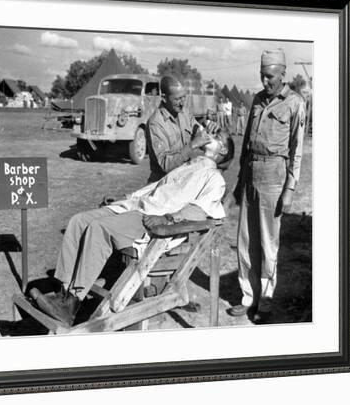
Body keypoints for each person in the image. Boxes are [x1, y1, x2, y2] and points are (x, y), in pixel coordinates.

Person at [34, 129, 235, 325]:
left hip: (152, 219)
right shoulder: (191, 164)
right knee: (78, 221)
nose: (210, 134)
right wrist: (126, 199)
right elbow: (156, 188)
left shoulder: (215, 178)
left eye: (217, 136)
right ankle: (63, 293)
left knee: (98, 229)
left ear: (222, 151)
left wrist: (168, 218)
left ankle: (71, 303)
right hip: (138, 205)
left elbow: (199, 211)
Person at [230, 48, 305, 324]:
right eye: (262, 75)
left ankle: (266, 299)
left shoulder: (295, 103)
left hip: (275, 175)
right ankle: (247, 296)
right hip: (251, 173)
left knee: (268, 242)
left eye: (270, 76)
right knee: (245, 240)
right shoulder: (257, 101)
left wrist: (289, 189)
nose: (265, 81)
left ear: (283, 74)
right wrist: (239, 180)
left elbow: (296, 150)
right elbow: (247, 143)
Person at [146, 75, 217, 183]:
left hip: (183, 179)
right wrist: (192, 145)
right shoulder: (155, 124)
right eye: (177, 99)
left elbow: (198, 133)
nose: (182, 102)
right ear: (164, 98)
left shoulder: (185, 113)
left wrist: (209, 132)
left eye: (184, 97)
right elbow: (165, 165)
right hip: (162, 184)